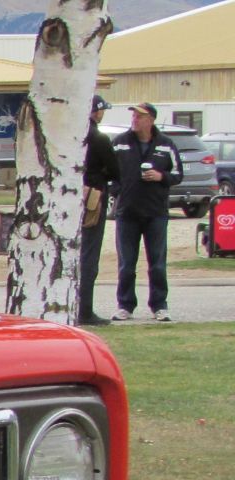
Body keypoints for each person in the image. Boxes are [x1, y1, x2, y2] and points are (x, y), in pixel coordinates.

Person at [110, 102, 182, 322]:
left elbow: (178, 174)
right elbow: (108, 172)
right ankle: (125, 306)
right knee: (126, 263)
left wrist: (162, 177)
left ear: (150, 120)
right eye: (133, 116)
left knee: (157, 262)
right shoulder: (120, 143)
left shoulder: (165, 144)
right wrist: (118, 190)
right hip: (127, 212)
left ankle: (159, 306)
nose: (135, 120)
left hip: (156, 213)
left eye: (139, 116)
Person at [78, 95, 120, 326]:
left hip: (70, 199)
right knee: (89, 254)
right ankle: (85, 310)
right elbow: (115, 170)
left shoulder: (72, 135)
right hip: (92, 198)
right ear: (97, 112)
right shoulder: (98, 138)